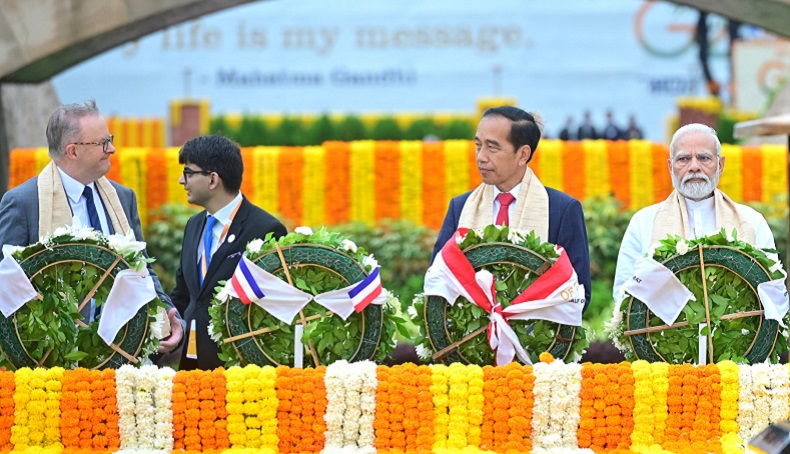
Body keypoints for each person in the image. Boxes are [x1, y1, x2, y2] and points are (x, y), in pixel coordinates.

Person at [0, 99, 184, 354]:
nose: (112, 149)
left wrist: (168, 318)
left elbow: (141, 268)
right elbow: (8, 285)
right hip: (52, 358)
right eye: (102, 143)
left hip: (122, 348)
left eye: (110, 139)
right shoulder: (24, 202)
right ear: (73, 151)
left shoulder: (122, 197)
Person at [431, 106, 592, 306]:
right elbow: (436, 279)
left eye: (492, 147)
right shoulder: (461, 207)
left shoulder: (561, 210)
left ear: (523, 154)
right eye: (478, 145)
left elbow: (578, 292)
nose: (481, 156)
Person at [613, 123, 775, 300]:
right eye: (683, 159)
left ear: (720, 165)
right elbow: (623, 296)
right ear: (670, 167)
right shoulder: (643, 223)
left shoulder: (752, 221)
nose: (694, 166)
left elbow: (773, 291)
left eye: (704, 158)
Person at [171, 135, 287, 370]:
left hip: (241, 371)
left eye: (188, 173)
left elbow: (274, 307)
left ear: (212, 179)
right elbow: (184, 295)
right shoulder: (194, 226)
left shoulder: (265, 230)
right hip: (192, 366)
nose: (181, 180)